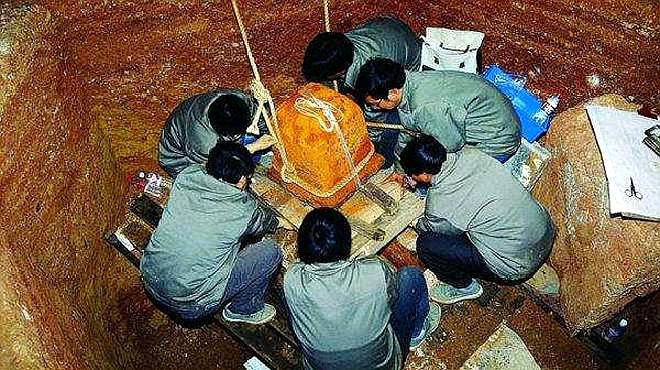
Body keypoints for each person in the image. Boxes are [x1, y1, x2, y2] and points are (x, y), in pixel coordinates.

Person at [398, 135, 554, 304]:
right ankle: (527, 256)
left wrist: (416, 222)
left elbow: (430, 229)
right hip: (544, 231)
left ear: (424, 174)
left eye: (413, 174)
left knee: (427, 245)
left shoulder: (440, 202)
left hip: (513, 266)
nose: (413, 177)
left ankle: (464, 287)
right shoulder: (472, 153)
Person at [141, 142, 282, 324]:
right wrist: (274, 221)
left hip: (150, 276)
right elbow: (265, 223)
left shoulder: (186, 176)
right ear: (241, 180)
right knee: (270, 252)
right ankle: (243, 310)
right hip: (192, 303)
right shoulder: (244, 211)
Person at [284, 208, 441, 370]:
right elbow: (393, 297)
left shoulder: (292, 278)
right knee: (410, 277)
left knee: (290, 301)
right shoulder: (374, 272)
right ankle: (416, 332)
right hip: (382, 366)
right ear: (346, 243)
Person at [355, 58, 521, 163]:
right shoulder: (409, 81)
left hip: (499, 140)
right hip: (497, 119)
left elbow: (450, 146)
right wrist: (400, 168)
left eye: (375, 104)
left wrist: (414, 172)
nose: (373, 108)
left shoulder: (425, 108)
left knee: (439, 175)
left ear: (392, 93)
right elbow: (409, 129)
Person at [158, 89, 276, 178]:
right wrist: (252, 148)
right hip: (181, 161)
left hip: (212, 137)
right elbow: (217, 165)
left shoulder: (235, 100)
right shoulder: (204, 142)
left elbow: (256, 115)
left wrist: (266, 133)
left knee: (253, 136)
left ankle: (253, 157)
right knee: (226, 179)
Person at [302, 16, 421, 93]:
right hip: (393, 27)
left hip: (414, 61)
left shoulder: (360, 76)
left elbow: (375, 103)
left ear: (340, 72)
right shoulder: (340, 42)